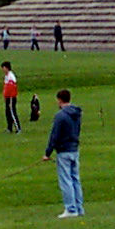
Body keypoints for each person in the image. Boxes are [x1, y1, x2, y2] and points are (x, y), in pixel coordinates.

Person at [42, 89, 84, 217]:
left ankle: (71, 209)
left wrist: (47, 153)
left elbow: (54, 135)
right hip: (74, 149)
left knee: (66, 180)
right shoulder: (76, 114)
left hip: (64, 151)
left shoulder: (60, 116)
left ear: (60, 100)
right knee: (75, 179)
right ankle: (79, 207)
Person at [1, 61, 21, 133]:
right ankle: (9, 128)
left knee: (12, 112)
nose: (2, 70)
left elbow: (12, 88)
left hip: (11, 97)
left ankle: (18, 128)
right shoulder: (6, 76)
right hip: (8, 97)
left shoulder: (11, 76)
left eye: (3, 68)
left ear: (7, 68)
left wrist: (10, 99)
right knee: (7, 112)